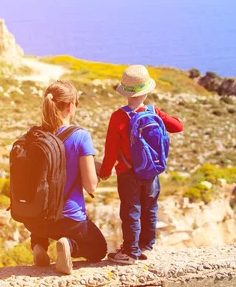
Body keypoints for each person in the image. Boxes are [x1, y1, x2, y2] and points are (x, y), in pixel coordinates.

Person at [97, 65, 183, 264]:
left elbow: (111, 151)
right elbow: (178, 126)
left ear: (125, 91)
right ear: (146, 90)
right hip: (151, 172)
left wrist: (104, 172)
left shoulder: (118, 117)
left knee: (131, 212)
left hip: (128, 173)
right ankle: (146, 247)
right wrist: (163, 116)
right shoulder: (154, 112)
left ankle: (130, 252)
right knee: (150, 209)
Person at [24, 80, 107, 275]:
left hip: (35, 219)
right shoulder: (80, 136)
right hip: (68, 221)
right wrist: (98, 172)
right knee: (99, 249)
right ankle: (69, 246)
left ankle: (39, 246)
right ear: (71, 106)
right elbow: (91, 185)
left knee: (43, 227)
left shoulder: (34, 135)